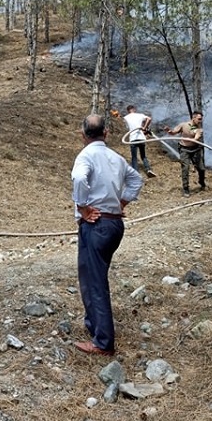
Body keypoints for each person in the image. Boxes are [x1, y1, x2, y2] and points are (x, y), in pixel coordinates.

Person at [71, 114, 144, 356]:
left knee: (95, 282)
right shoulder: (117, 158)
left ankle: (103, 342)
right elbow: (136, 180)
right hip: (113, 225)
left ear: (83, 135)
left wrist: (82, 207)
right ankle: (93, 325)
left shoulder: (86, 155)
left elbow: (79, 177)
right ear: (106, 133)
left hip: (96, 225)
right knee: (92, 277)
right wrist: (121, 202)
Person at [166, 110, 206, 197]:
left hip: (196, 150)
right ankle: (186, 189)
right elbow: (173, 132)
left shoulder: (198, 128)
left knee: (201, 168)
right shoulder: (183, 125)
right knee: (185, 168)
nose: (200, 121)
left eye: (201, 119)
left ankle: (201, 182)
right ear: (194, 117)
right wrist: (169, 131)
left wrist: (193, 139)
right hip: (184, 149)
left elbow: (197, 136)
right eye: (199, 119)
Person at [123, 104, 156, 178]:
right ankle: (148, 169)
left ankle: (136, 173)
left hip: (133, 139)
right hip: (141, 138)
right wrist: (145, 127)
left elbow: (127, 128)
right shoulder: (140, 115)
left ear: (128, 111)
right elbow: (149, 119)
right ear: (134, 109)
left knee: (134, 157)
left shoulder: (126, 118)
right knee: (143, 155)